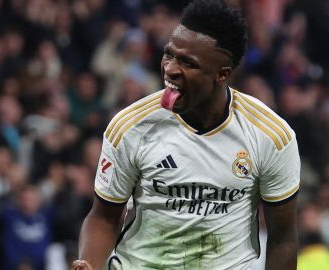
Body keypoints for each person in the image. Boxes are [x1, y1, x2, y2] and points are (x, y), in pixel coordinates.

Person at [72, 0, 300, 269]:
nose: (170, 69)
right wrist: (89, 262)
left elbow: (283, 237)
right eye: (169, 54)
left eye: (187, 62)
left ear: (221, 74)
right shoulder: (130, 126)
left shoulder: (270, 136)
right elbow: (103, 217)